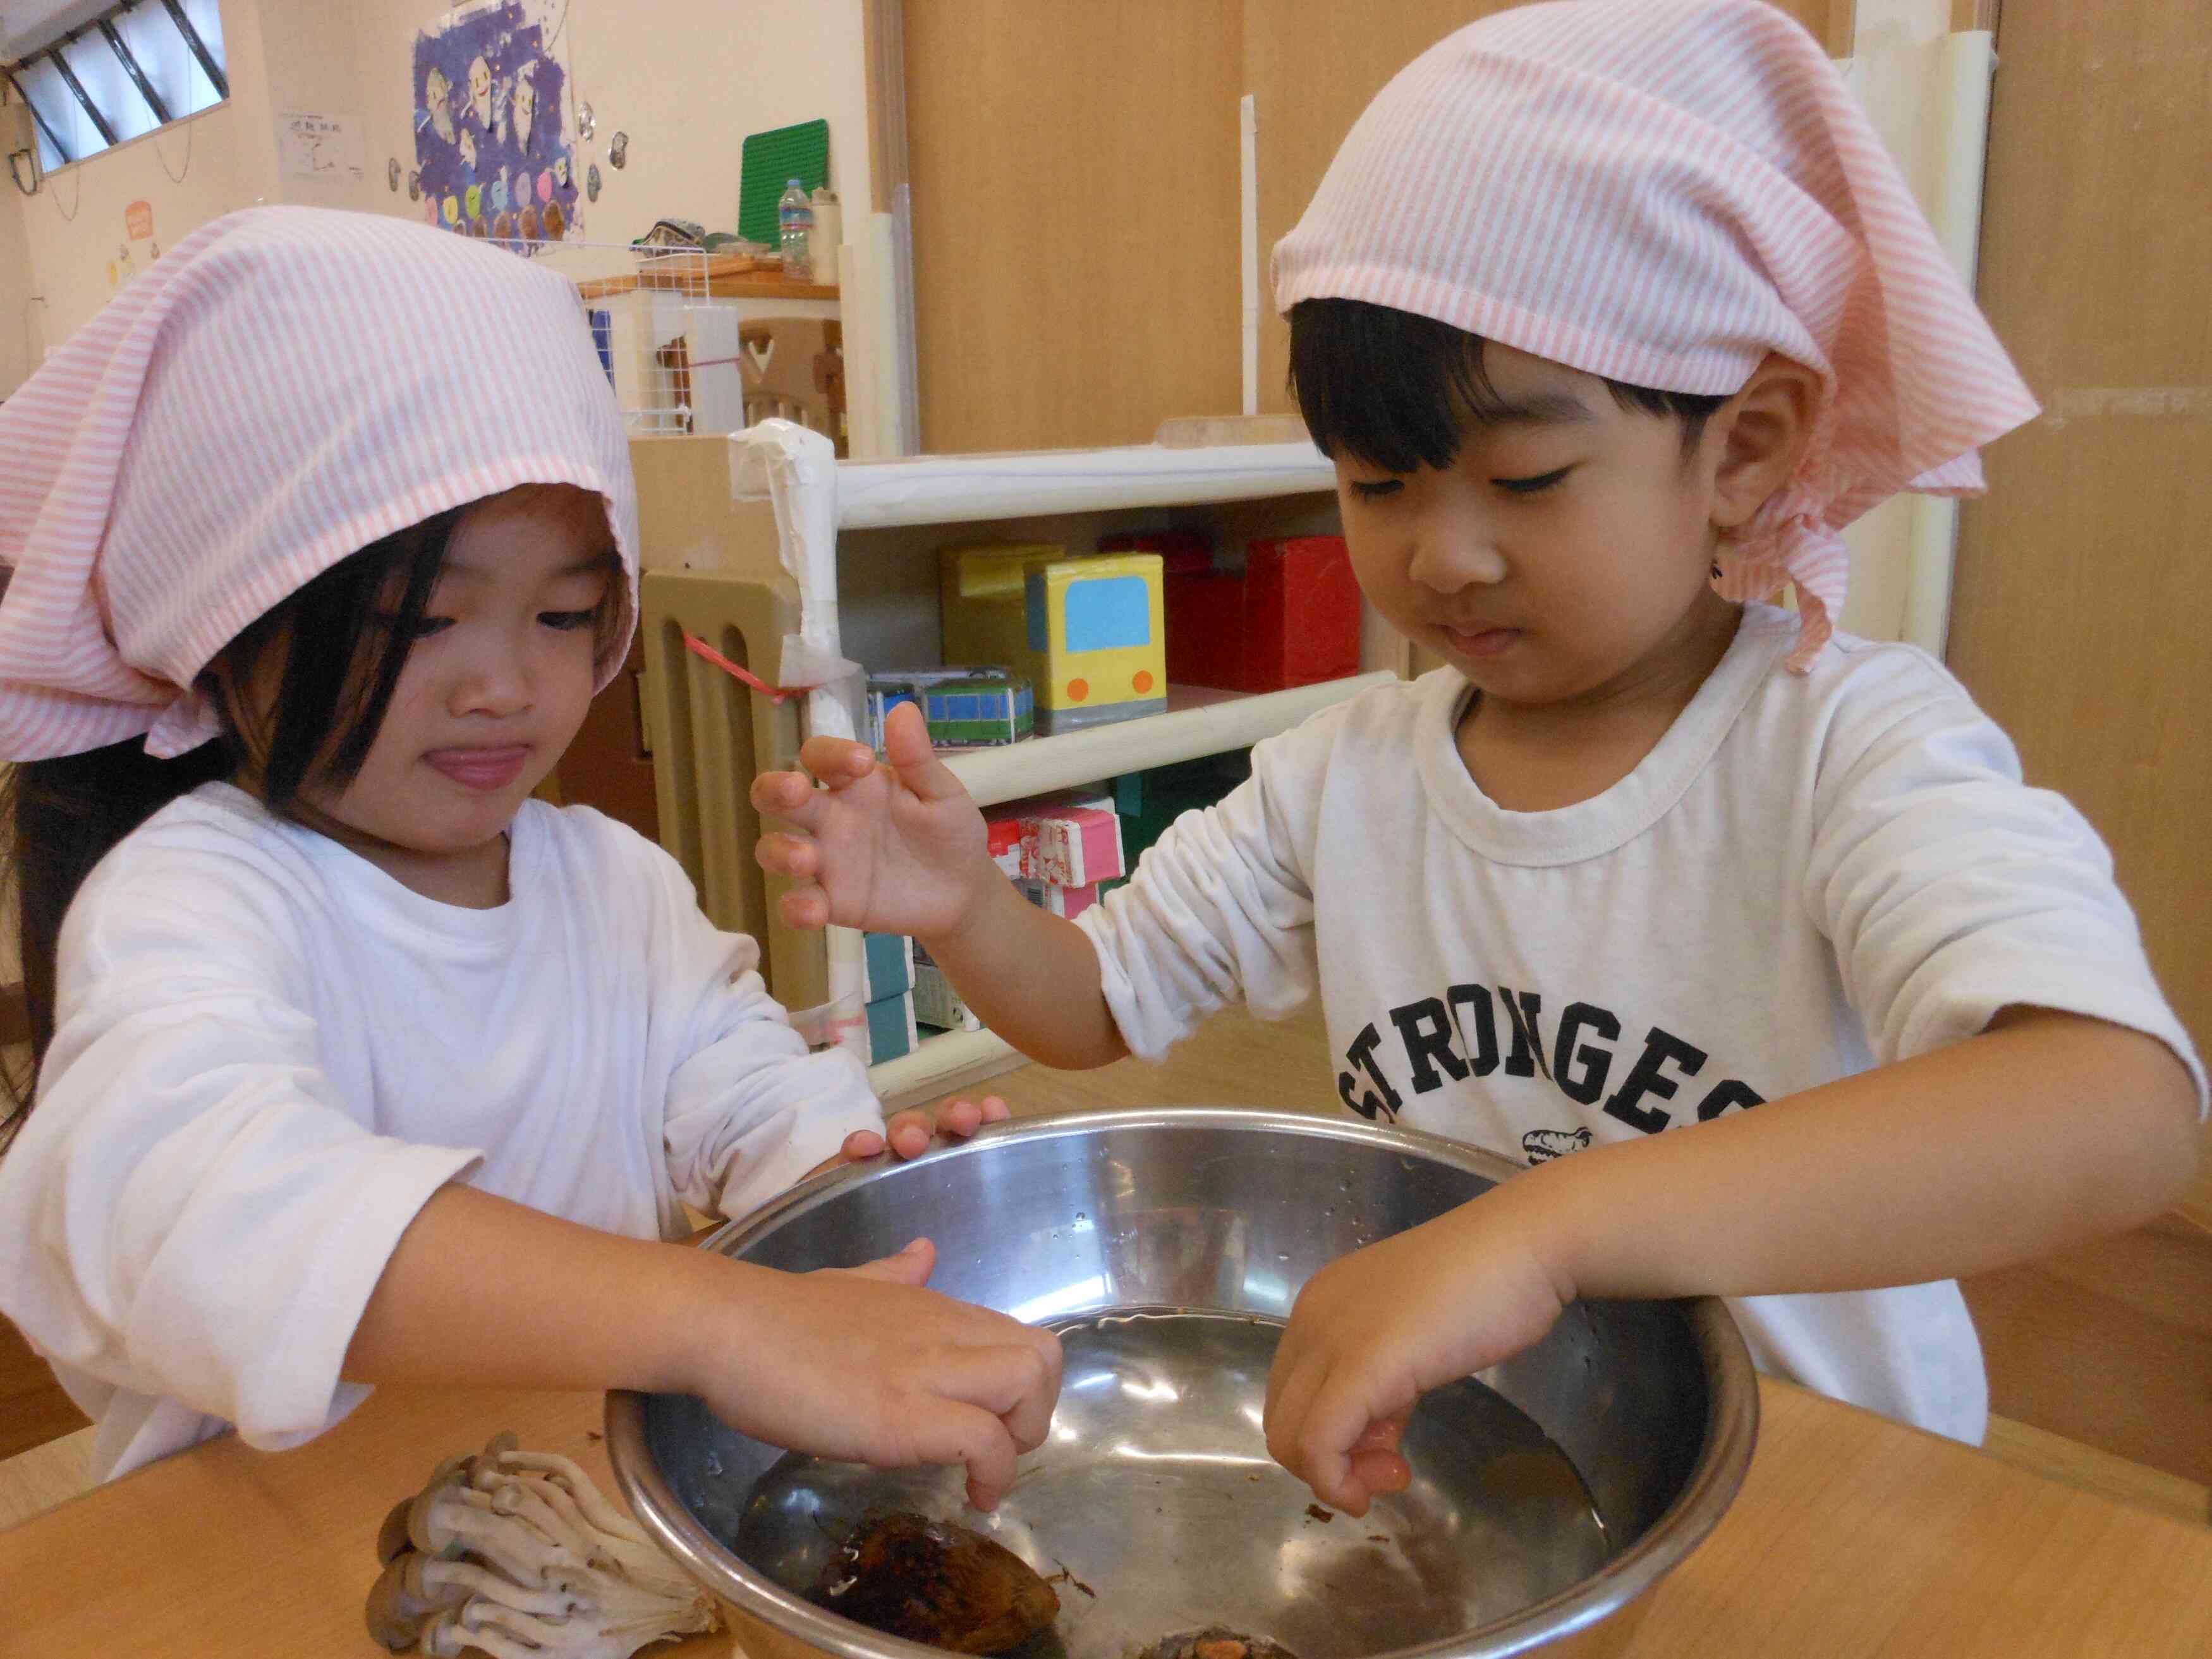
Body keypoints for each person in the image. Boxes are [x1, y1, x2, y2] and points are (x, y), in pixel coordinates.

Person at [751, 0, 2203, 1518]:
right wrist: (967, 910)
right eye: (1380, 483)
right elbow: (1094, 1004)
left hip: (1817, 1490)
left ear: (1749, 446)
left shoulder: (1846, 747)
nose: (1444, 553)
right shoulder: (1342, 775)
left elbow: (2112, 1103)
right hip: (1478, 1462)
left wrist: (1544, 1228)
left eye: (1526, 476)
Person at [0, 206, 1058, 1507]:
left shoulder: (612, 883)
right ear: (228, 621)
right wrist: (716, 1317)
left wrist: (849, 1199)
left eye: (563, 612)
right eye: (419, 617)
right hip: (280, 1548)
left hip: (571, 1510)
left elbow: (739, 1086)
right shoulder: (192, 900)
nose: (505, 681)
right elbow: (200, 1205)